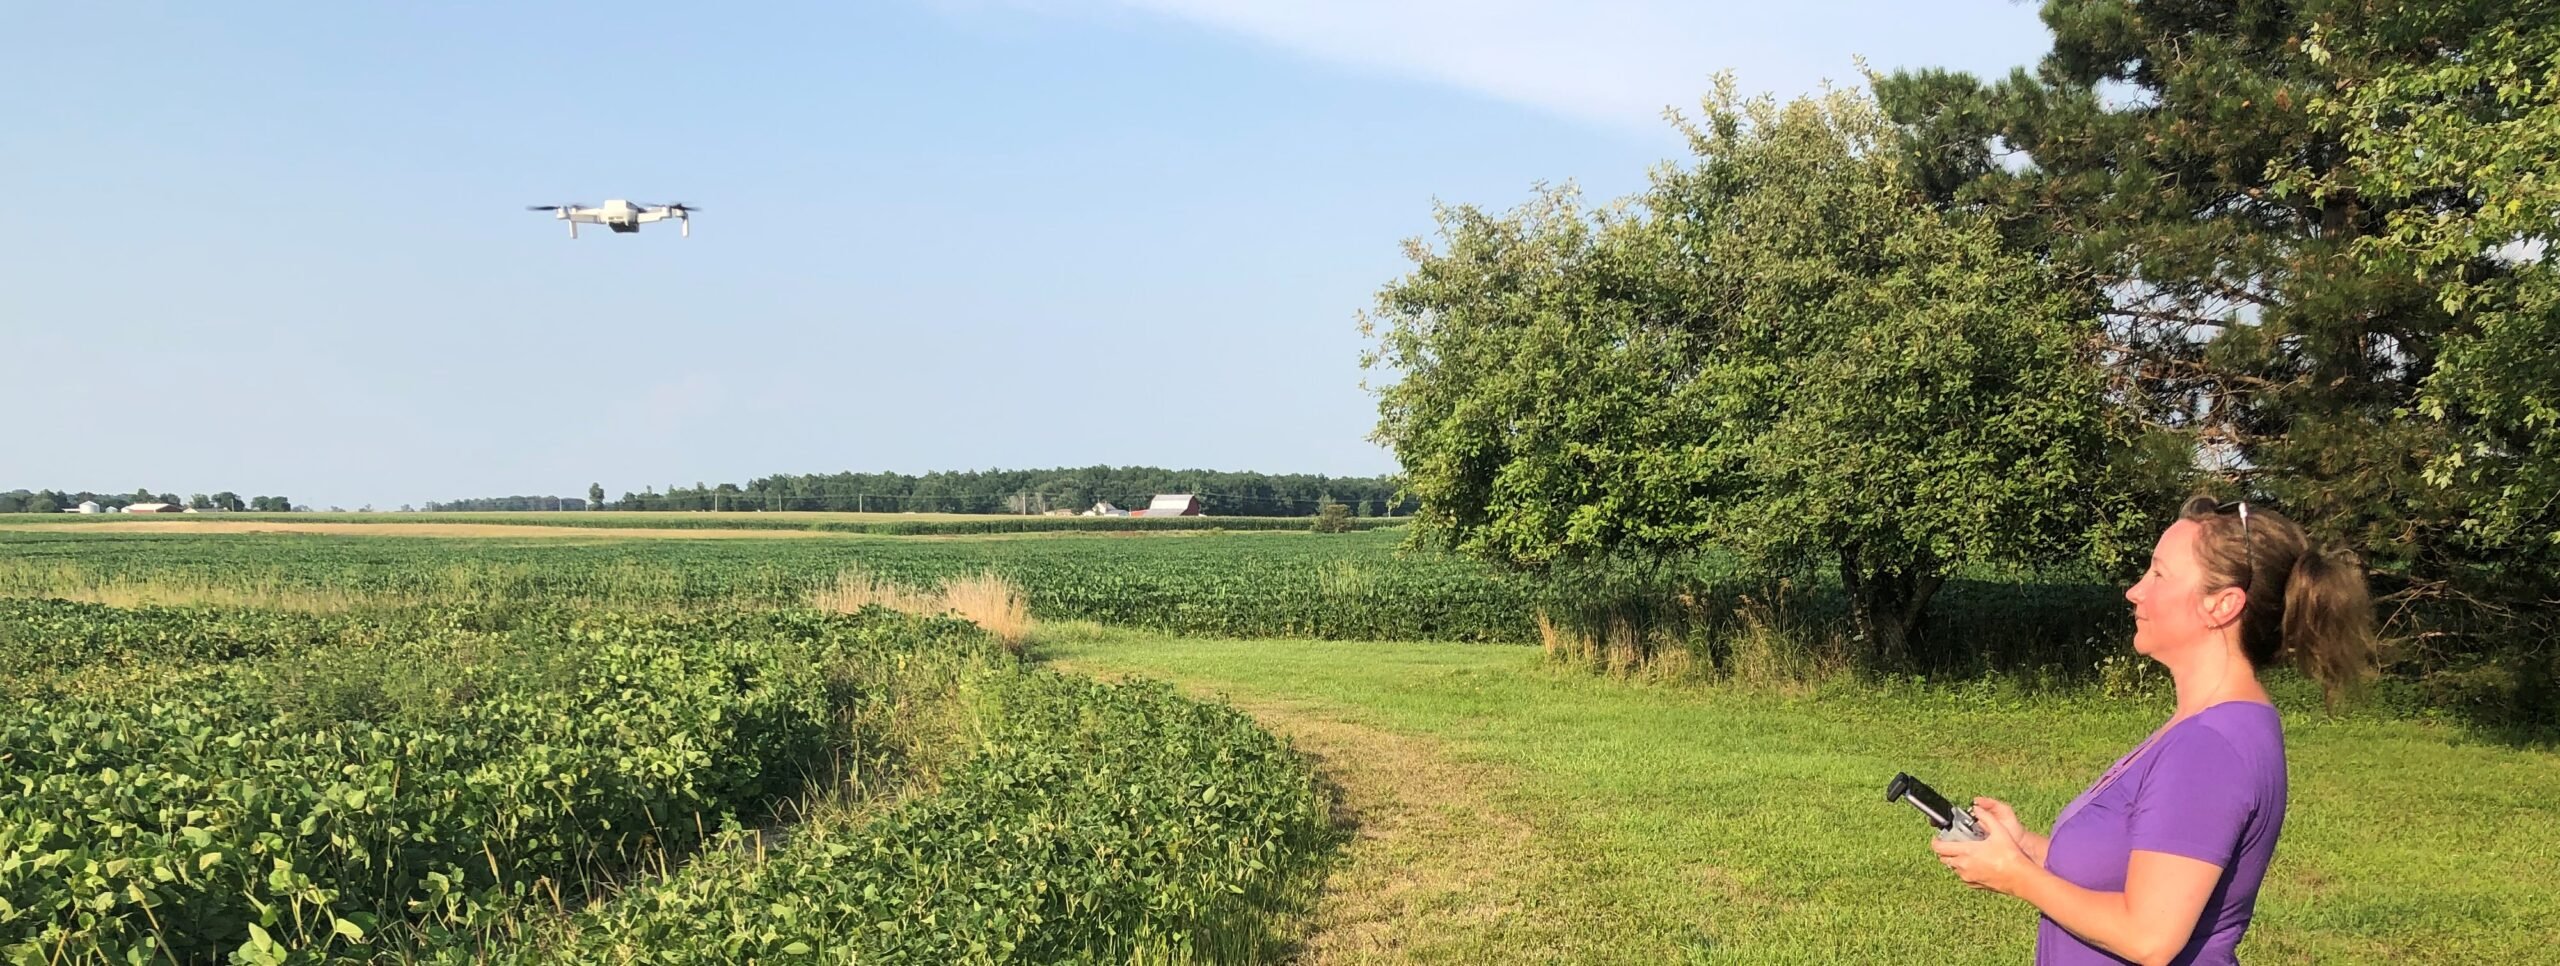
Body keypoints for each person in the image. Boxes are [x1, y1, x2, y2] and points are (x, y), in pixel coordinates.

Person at [1931, 496, 2376, 965]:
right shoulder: (2208, 723)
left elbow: (2149, 937)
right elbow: (2141, 872)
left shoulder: (2210, 747)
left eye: (2159, 575)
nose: (2135, 591)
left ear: (2222, 605)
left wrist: (2016, 877)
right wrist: (2026, 851)